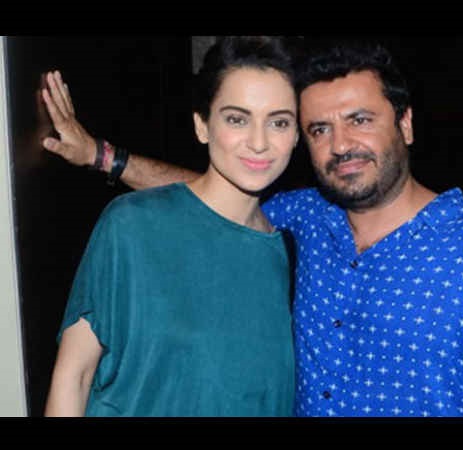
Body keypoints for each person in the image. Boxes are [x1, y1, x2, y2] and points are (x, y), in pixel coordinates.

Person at [42, 37, 463, 417]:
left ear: (405, 124)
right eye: (319, 128)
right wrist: (102, 157)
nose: (341, 145)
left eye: (360, 119)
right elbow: (212, 198)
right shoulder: (306, 221)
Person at [42, 36, 299, 416]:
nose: (259, 142)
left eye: (279, 122)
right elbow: (74, 378)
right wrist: (100, 154)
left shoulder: (289, 252)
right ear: (202, 126)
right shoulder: (131, 225)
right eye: (237, 119)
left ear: (296, 135)